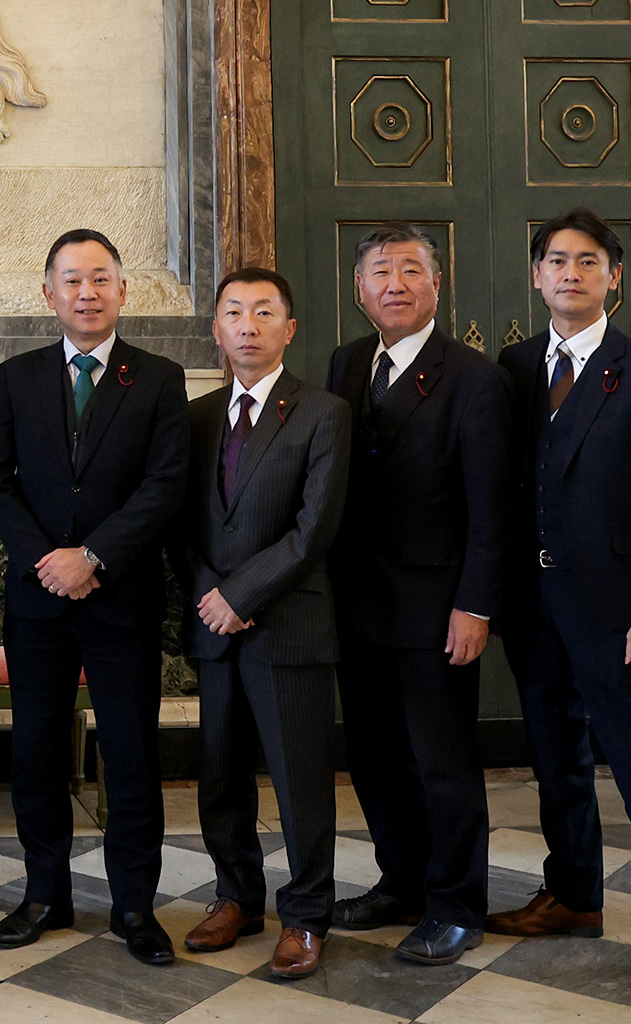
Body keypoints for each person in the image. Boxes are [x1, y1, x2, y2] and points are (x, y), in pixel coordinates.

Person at [487, 210, 631, 1004]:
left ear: (615, 275)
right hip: (533, 606)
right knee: (555, 761)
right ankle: (574, 894)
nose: (569, 273)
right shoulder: (512, 367)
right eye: (555, 261)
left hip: (618, 612)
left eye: (587, 261)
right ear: (537, 276)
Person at [0, 228, 189, 965]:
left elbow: (165, 485)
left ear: (123, 292)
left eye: (101, 279)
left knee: (129, 755)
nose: (87, 293)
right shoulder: (18, 376)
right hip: (39, 601)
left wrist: (94, 556)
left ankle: (134, 904)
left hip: (120, 595)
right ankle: (44, 895)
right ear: (48, 294)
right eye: (71, 280)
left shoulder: (158, 378)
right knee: (34, 752)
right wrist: (47, 560)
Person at [325, 224, 512, 966]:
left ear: (437, 286)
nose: (395, 283)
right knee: (374, 759)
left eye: (411, 270)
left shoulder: (474, 378)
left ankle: (457, 904)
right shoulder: (345, 363)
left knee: (443, 763)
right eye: (380, 271)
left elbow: (492, 507)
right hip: (356, 603)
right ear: (360, 289)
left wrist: (476, 605)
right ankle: (400, 881)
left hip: (437, 609)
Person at [179, 268, 349, 981]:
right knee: (219, 778)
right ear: (216, 329)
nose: (248, 325)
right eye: (234, 313)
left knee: (300, 783)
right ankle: (236, 896)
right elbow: (179, 524)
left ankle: (307, 916)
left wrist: (239, 596)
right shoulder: (195, 417)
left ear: (290, 327)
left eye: (264, 312)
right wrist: (207, 597)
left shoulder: (322, 412)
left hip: (287, 630)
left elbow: (314, 531)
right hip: (214, 632)